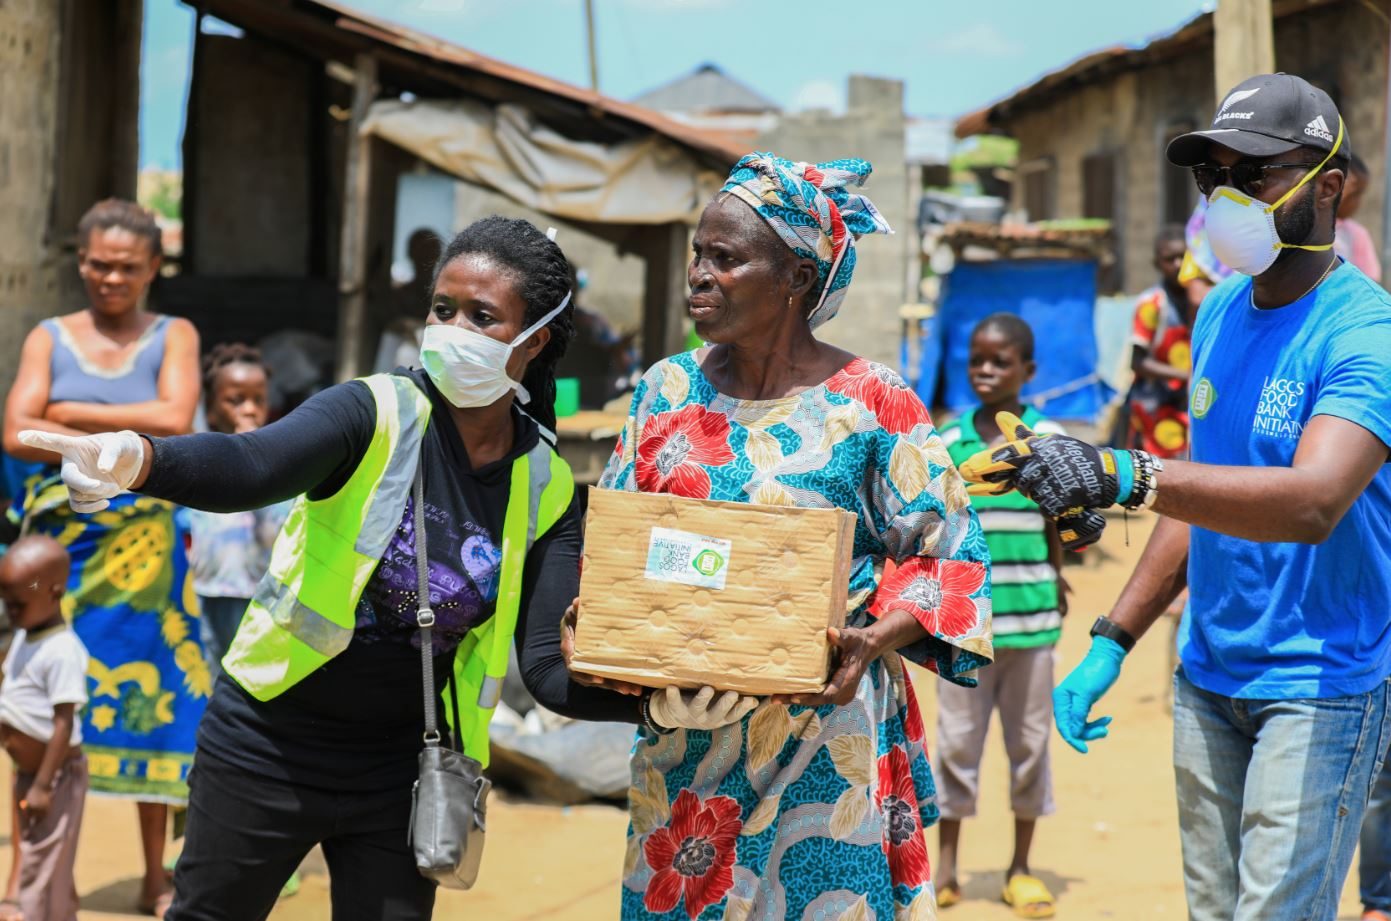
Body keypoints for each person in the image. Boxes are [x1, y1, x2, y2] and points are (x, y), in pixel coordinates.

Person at [21, 216, 642, 921]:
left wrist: (656, 700)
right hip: (267, 742)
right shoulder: (372, 411)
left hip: (406, 770)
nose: (451, 329)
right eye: (443, 309)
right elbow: (252, 464)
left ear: (533, 341)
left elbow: (548, 670)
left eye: (481, 316)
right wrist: (141, 459)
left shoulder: (546, 484)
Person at [961, 74, 1391, 921]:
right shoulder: (1220, 314)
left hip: (1319, 683)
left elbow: (1310, 501)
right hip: (1206, 674)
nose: (1226, 199)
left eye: (1254, 175)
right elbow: (1201, 493)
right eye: (1212, 178)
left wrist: (1125, 472)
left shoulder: (1364, 332)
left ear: (1328, 186)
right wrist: (1112, 640)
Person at [568, 152, 993, 920]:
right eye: (699, 254)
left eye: (724, 258)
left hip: (823, 748)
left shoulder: (871, 400)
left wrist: (871, 638)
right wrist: (595, 620)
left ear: (797, 278)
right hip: (685, 752)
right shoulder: (666, 389)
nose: (697, 273)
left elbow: (947, 557)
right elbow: (621, 541)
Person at [0, 198, 201, 914]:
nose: (111, 278)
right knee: (35, 711)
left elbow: (176, 419)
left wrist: (64, 415)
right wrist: (98, 424)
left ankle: (155, 875)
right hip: (63, 555)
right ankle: (36, 876)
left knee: (154, 709)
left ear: (152, 268)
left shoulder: (175, 334)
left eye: (127, 266)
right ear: (79, 262)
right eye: (98, 264)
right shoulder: (49, 336)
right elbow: (15, 433)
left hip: (146, 563)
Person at [935, 314, 1066, 918]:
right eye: (976, 360)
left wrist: (1058, 572)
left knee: (1030, 745)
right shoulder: (947, 441)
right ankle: (947, 869)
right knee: (958, 745)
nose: (986, 371)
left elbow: (1058, 520)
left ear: (1028, 371)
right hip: (965, 622)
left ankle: (1020, 867)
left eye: (1001, 361)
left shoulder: (1048, 438)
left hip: (1033, 618)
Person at [185, 344, 291, 680]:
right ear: (211, 409)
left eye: (258, 400)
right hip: (208, 591)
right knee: (211, 672)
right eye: (235, 399)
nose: (249, 409)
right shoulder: (199, 460)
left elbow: (278, 532)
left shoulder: (282, 464)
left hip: (261, 595)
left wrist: (255, 461)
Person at [0, 536, 90, 921]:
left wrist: (42, 785)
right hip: (30, 775)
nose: (10, 611)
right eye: (6, 603)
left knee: (40, 869)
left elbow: (63, 723)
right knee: (50, 861)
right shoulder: (25, 634)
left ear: (54, 591)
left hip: (55, 780)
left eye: (17, 604)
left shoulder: (62, 651)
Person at [1128, 226, 1196, 459]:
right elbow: (1137, 362)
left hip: (1191, 400)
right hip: (1156, 405)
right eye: (1170, 259)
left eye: (1183, 257)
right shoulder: (1152, 303)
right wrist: (1186, 376)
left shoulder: (1204, 298)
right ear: (1157, 264)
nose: (1178, 264)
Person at [1335, 153, 1382, 282]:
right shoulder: (1310, 227)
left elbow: (1370, 279)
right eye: (1354, 194)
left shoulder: (1357, 233)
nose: (1358, 203)